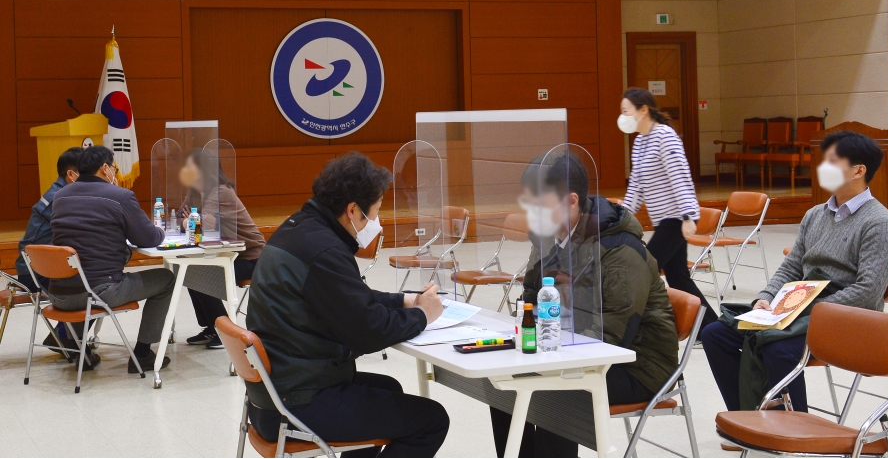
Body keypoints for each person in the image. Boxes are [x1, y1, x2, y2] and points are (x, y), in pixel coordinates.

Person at [245, 152, 449, 458]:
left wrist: (406, 301)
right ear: (353, 210)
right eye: (376, 211)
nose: (377, 222)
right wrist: (422, 315)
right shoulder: (324, 250)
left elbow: (351, 299)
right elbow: (368, 331)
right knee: (432, 420)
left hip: (272, 397)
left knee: (388, 389)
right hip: (297, 403)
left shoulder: (299, 230)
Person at [490, 152, 679, 457]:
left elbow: (612, 337)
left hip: (640, 365)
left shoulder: (619, 251)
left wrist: (551, 354)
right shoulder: (549, 236)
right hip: (572, 345)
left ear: (571, 201)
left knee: (557, 392)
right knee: (502, 385)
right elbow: (530, 297)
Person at [703, 131, 888, 421]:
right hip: (801, 308)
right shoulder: (815, 214)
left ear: (859, 170)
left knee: (778, 346)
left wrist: (808, 311)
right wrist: (766, 298)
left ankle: (793, 427)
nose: (823, 169)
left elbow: (868, 291)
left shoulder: (880, 223)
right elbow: (792, 267)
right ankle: (748, 417)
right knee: (717, 334)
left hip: (849, 319)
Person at [49, 145, 176, 373]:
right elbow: (149, 238)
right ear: (105, 168)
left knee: (81, 278)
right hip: (99, 290)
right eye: (114, 169)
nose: (116, 173)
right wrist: (161, 230)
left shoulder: (60, 197)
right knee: (166, 279)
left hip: (60, 294)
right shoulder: (120, 197)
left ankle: (81, 351)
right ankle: (143, 354)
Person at [619, 87, 719, 335]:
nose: (622, 116)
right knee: (678, 278)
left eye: (626, 111)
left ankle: (635, 327)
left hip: (676, 218)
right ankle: (712, 327)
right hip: (664, 219)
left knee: (645, 268)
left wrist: (687, 215)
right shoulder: (640, 142)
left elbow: (680, 177)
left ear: (643, 110)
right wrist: (622, 217)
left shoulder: (665, 136)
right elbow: (636, 186)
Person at [177, 149, 265, 349]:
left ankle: (224, 332)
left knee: (203, 277)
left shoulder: (220, 191)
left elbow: (199, 225)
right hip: (229, 255)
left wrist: (190, 220)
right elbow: (182, 217)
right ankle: (210, 327)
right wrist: (190, 220)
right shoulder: (195, 191)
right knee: (192, 274)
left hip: (251, 258)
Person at [14, 147, 82, 350]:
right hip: (35, 272)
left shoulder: (61, 192)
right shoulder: (61, 199)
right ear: (71, 174)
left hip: (39, 266)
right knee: (94, 285)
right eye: (87, 172)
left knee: (92, 280)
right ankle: (64, 337)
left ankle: (66, 335)